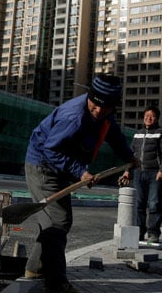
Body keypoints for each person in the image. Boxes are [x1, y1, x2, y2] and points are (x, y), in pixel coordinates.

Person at [23, 74, 138, 293]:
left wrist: (128, 157)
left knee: (54, 222)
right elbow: (51, 150)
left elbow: (114, 135)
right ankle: (56, 282)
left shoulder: (105, 114)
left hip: (59, 166)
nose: (98, 112)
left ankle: (34, 269)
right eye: (94, 106)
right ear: (90, 97)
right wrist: (81, 173)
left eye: (104, 109)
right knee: (58, 221)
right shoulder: (73, 117)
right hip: (42, 166)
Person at [131, 105, 162, 243]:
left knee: (154, 203)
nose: (148, 118)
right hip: (139, 173)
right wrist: (127, 171)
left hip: (154, 174)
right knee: (139, 204)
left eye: (152, 116)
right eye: (146, 116)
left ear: (157, 118)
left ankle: (153, 233)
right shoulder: (138, 134)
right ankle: (139, 232)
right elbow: (132, 155)